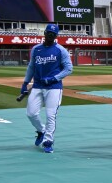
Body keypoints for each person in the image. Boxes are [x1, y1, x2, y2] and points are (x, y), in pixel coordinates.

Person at [21, 23, 73, 153]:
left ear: (56, 36)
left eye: (53, 34)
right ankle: (41, 131)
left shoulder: (61, 50)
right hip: (38, 85)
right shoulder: (36, 49)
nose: (50, 35)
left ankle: (48, 141)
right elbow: (31, 67)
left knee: (51, 115)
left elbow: (68, 69)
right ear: (44, 33)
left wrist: (54, 78)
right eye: (49, 33)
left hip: (54, 87)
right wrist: (25, 83)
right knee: (31, 113)